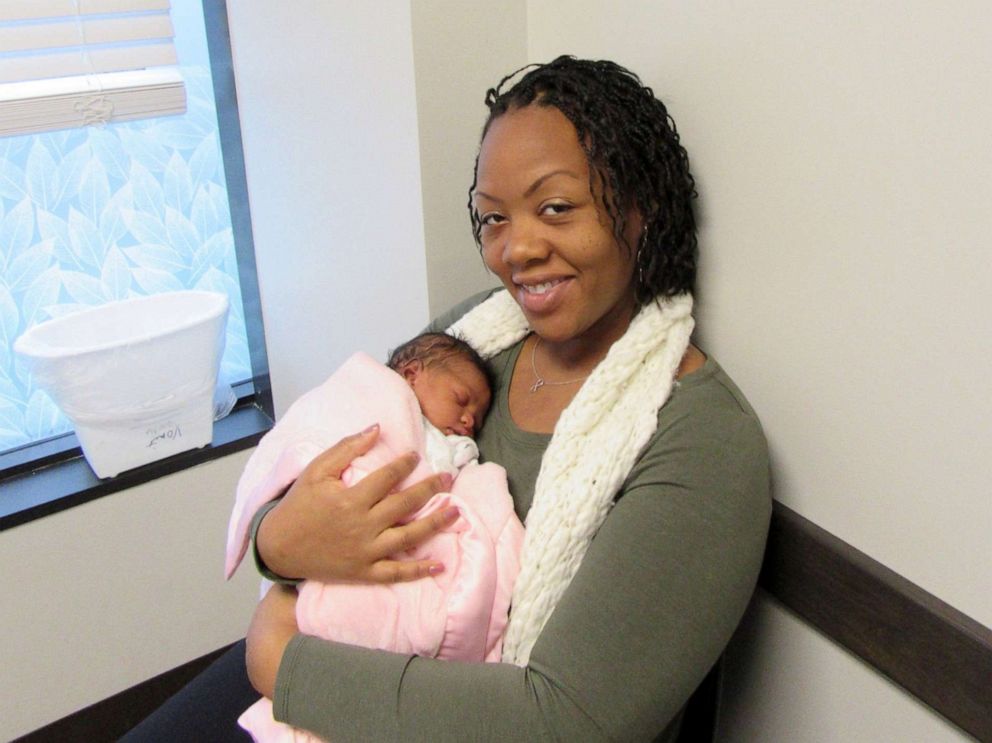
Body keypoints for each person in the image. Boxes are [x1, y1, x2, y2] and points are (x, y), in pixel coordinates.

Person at [124, 56, 770, 742]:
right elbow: (335, 448)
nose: (515, 248)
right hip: (342, 646)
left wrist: (284, 662)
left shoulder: (702, 440)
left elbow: (566, 722)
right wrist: (276, 541)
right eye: (493, 218)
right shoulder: (474, 339)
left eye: (555, 207)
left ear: (643, 207)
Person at [225, 333, 524, 742]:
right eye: (461, 399)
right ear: (411, 374)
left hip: (345, 652)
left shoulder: (449, 439)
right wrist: (277, 541)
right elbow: (305, 441)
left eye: (479, 413)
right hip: (310, 580)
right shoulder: (373, 397)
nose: (471, 419)